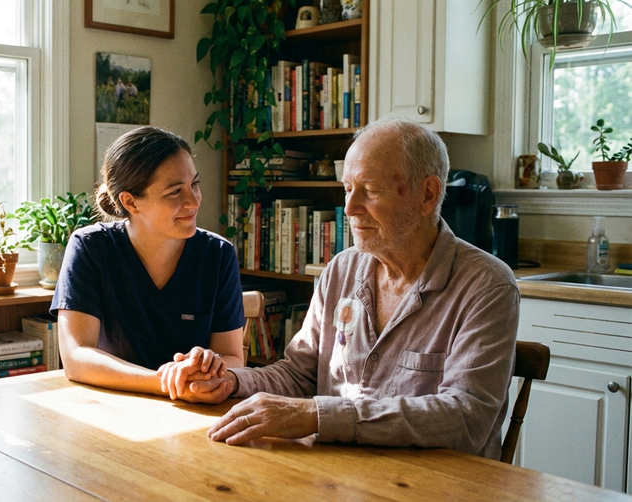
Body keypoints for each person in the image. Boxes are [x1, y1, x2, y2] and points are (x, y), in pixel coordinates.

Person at [197, 118, 520, 460]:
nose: (350, 208)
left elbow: (466, 418)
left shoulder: (487, 285)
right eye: (348, 189)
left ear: (428, 194)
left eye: (371, 190)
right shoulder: (342, 268)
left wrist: (316, 416)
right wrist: (231, 382)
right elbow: (299, 374)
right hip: (344, 475)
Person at [51, 126, 245, 403]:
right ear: (130, 202)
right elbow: (76, 356)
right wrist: (165, 382)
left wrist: (211, 366)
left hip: (195, 413)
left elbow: (234, 357)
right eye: (175, 192)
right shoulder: (90, 247)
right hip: (110, 408)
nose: (193, 201)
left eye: (195, 184)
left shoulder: (217, 254)